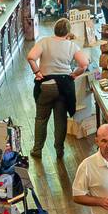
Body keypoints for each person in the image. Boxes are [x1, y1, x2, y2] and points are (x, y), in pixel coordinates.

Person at [26, 17, 89, 159]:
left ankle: (37, 150)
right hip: (63, 87)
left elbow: (30, 57)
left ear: (54, 29)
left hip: (46, 85)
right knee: (60, 120)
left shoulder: (44, 41)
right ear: (68, 33)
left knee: (41, 119)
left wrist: (37, 72)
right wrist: (73, 74)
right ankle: (59, 151)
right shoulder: (72, 46)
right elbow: (84, 64)